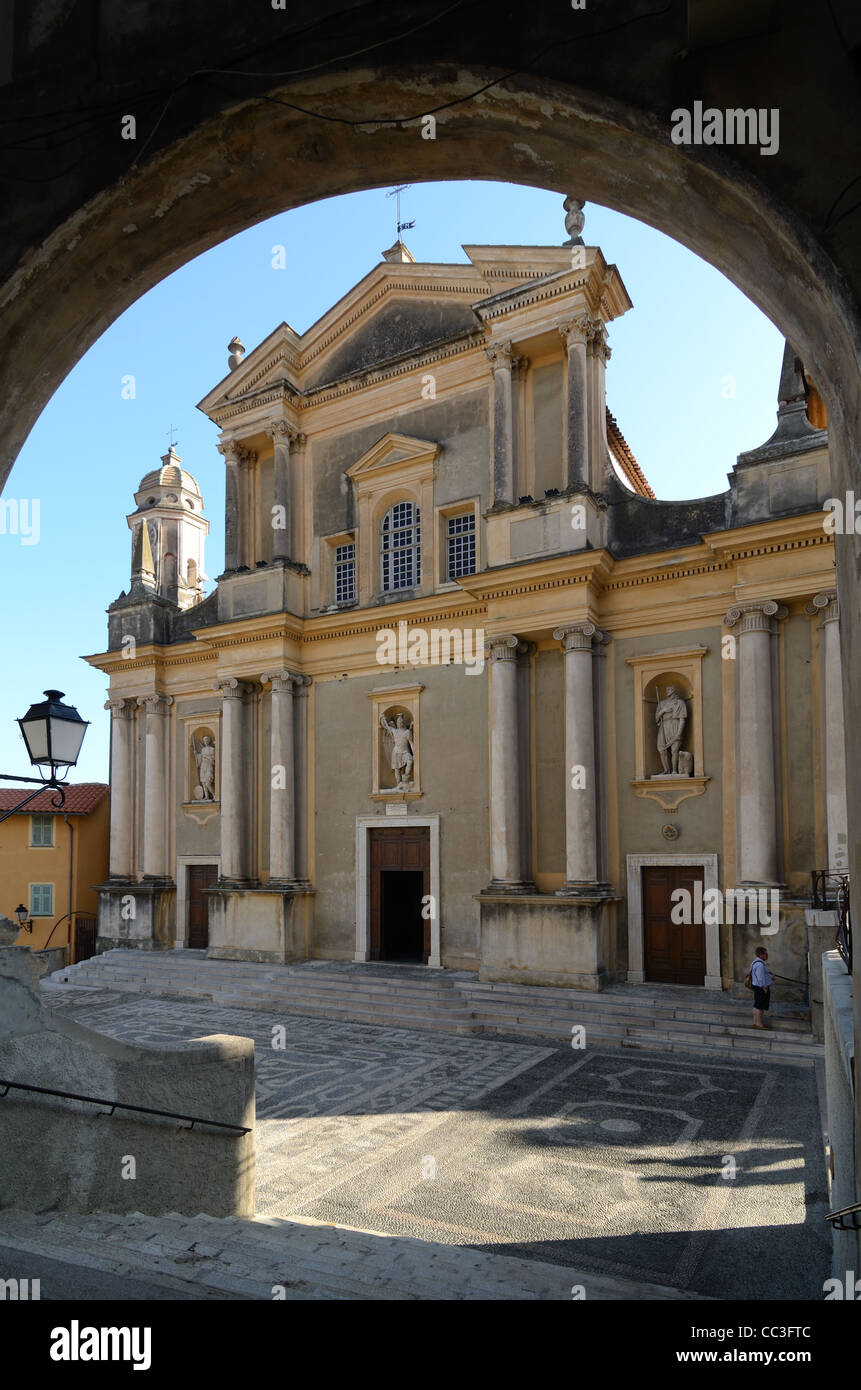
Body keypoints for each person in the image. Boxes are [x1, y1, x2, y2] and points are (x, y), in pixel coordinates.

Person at [750, 946, 773, 1030]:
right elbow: (760, 978)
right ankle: (759, 1024)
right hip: (761, 988)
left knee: (756, 1005)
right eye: (765, 953)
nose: (767, 955)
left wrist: (770, 976)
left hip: (756, 987)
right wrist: (764, 987)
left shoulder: (754, 962)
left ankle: (755, 1022)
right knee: (760, 1006)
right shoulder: (760, 965)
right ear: (761, 955)